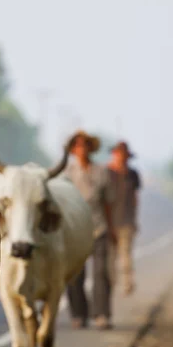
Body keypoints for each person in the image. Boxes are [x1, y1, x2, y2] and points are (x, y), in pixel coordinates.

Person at [63, 130, 116, 330]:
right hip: (75, 229)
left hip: (98, 227)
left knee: (101, 273)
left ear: (90, 148)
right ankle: (79, 314)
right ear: (73, 149)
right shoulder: (66, 173)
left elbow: (108, 203)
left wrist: (112, 229)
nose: (81, 148)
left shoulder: (101, 171)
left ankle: (101, 314)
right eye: (77, 145)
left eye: (85, 144)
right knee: (75, 274)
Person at [107, 141, 141, 296]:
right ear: (114, 155)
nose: (121, 157)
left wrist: (134, 219)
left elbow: (135, 198)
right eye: (119, 154)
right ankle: (111, 284)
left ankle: (127, 283)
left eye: (124, 155)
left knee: (125, 255)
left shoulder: (132, 175)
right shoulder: (107, 173)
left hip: (126, 221)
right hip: (109, 221)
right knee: (110, 256)